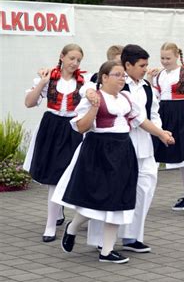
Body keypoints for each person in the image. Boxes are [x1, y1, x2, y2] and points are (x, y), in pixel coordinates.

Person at [52, 60, 174, 264]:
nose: (121, 79)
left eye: (123, 75)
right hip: (99, 150)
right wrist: (94, 107)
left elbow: (140, 121)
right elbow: (81, 127)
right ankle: (72, 227)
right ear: (105, 77)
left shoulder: (127, 97)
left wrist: (161, 134)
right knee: (98, 199)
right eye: (117, 75)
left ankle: (107, 251)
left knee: (119, 200)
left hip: (123, 150)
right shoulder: (94, 96)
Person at [87, 44, 167, 253]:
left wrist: (160, 132)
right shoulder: (117, 83)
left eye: (146, 65)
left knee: (145, 189)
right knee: (111, 192)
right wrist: (88, 91)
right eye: (142, 65)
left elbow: (153, 113)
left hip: (146, 147)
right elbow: (91, 89)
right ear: (128, 65)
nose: (145, 69)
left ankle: (131, 236)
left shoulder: (147, 87)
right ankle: (99, 239)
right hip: (120, 146)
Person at [23, 44, 86, 243]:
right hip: (51, 126)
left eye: (78, 60)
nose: (74, 63)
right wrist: (42, 82)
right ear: (62, 56)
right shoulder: (49, 77)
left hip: (72, 127)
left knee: (70, 172)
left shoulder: (84, 82)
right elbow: (29, 103)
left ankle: (66, 215)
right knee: (53, 177)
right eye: (72, 58)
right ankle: (51, 223)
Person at [150, 42, 184, 210]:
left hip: (181, 114)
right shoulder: (159, 75)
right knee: (155, 153)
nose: (164, 61)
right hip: (163, 112)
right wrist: (150, 79)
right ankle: (143, 196)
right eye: (162, 58)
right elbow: (155, 96)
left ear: (176, 56)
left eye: (168, 58)